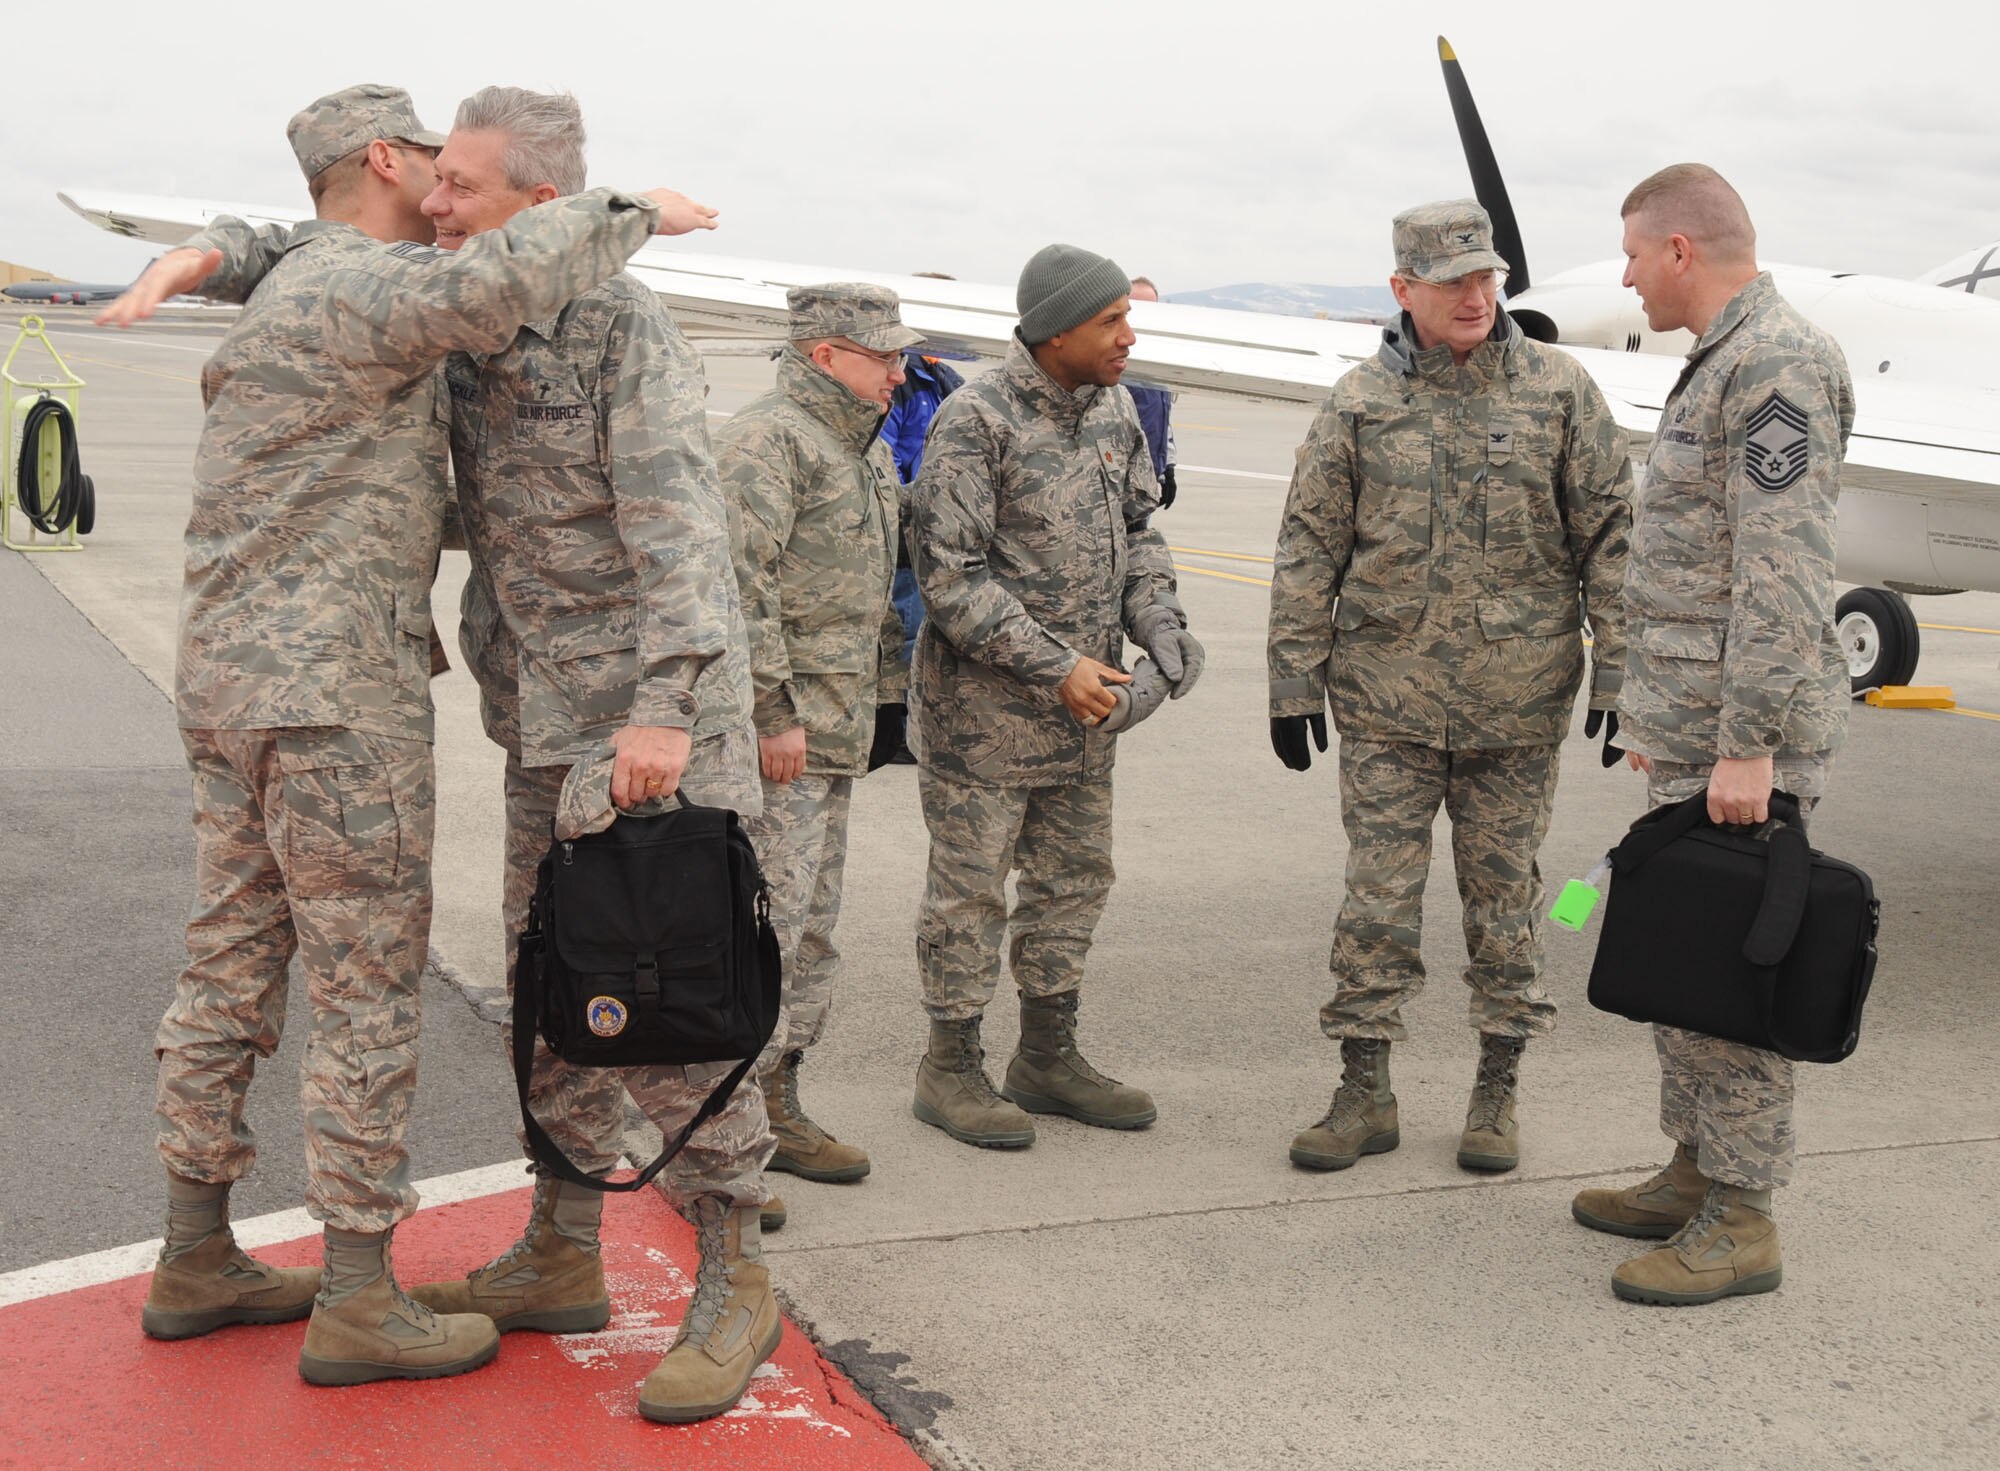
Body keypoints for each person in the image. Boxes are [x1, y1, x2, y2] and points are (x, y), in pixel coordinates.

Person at [101, 83, 705, 1387]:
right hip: (333, 706)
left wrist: (214, 246)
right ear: (383, 156)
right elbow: (502, 273)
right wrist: (635, 208)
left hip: (227, 692)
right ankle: (364, 1295)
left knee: (228, 961)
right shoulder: (369, 290)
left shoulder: (294, 282)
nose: (441, 189)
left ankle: (194, 1247)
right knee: (368, 992)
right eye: (428, 160)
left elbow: (305, 250)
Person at [378, 88, 776, 1421]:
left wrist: (665, 706)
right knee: (553, 987)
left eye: (460, 189)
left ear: (541, 208)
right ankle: (560, 1245)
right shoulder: (465, 323)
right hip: (542, 728)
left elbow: (680, 528)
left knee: (676, 995)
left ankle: (734, 1266)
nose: (434, 207)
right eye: (432, 183)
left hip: (651, 729)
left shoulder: (621, 324)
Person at [1268, 200, 1632, 1177]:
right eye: (1452, 281)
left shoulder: (1560, 391)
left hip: (1515, 709)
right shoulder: (1356, 402)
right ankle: (1363, 1089)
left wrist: (1620, 665)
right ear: (1403, 291)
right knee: (1374, 899)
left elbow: (1609, 534)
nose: (1475, 295)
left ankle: (1496, 1088)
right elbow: (1309, 544)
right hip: (1384, 703)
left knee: (1503, 903)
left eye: (1487, 278)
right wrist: (1291, 676)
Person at [1572, 164, 1851, 1306]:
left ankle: (1742, 1215)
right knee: (1683, 953)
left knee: (1737, 969)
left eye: (1632, 254)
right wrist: (1665, 717)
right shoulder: (1722, 356)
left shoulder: (1775, 361)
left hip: (1740, 745)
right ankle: (1693, 1167)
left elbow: (1780, 574)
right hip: (1691, 732)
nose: (1626, 274)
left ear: (1678, 249)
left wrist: (1747, 746)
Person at [906, 243, 1202, 1148]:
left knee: (1072, 882)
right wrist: (1056, 665)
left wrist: (1159, 621)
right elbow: (948, 579)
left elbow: (1140, 531)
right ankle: (950, 1064)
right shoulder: (976, 421)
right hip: (986, 723)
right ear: (1056, 330)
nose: (1128, 336)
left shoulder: (1114, 412)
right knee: (970, 895)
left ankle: (1045, 1054)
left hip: (1086, 719)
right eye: (1111, 320)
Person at [712, 283, 912, 1194]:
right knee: (763, 933)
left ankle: (779, 1097)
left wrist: (891, 704)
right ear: (827, 355)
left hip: (837, 734)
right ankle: (728, 1123)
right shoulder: (770, 441)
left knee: (811, 932)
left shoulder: (860, 452)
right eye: (884, 358)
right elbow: (739, 592)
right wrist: (771, 712)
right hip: (782, 743)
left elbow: (871, 596)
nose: (899, 375)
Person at [881, 348, 966, 681]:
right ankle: (895, 717)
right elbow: (883, 461)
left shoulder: (940, 378)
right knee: (904, 638)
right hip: (906, 540)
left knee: (921, 640)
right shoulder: (904, 384)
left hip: (934, 541)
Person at [1123, 276, 1177, 511]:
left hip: (1148, 481)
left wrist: (1168, 469)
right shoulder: (1113, 361)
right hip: (1119, 485)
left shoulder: (1160, 361)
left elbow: (1164, 423)